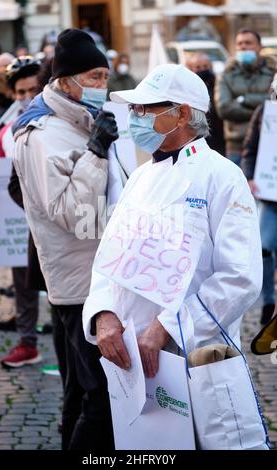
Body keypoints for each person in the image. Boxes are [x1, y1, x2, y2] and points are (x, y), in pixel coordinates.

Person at [83, 64, 262, 391]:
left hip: (195, 356)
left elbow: (240, 275)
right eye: (133, 109)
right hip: (130, 355)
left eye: (144, 108)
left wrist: (169, 326)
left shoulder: (222, 177)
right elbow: (111, 254)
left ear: (181, 114)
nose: (134, 117)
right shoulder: (139, 176)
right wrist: (103, 312)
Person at [12, 28, 118, 450]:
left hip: (96, 274)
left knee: (83, 393)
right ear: (65, 79)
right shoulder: (40, 133)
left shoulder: (77, 120)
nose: (101, 87)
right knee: (101, 399)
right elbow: (74, 215)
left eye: (105, 77)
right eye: (93, 77)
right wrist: (96, 153)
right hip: (77, 285)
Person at [0, 56, 43, 367]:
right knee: (23, 285)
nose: (25, 98)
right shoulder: (6, 132)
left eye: (31, 90)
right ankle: (27, 342)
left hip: (60, 223)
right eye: (20, 93)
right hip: (20, 223)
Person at [242, 74, 277, 325]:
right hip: (271, 196)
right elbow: (250, 148)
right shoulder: (264, 112)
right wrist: (250, 176)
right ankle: (268, 300)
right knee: (263, 248)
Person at [215, 29, 276, 166]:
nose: (243, 47)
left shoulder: (273, 71)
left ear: (260, 47)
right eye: (239, 43)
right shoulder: (226, 74)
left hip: (269, 141)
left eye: (248, 43)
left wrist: (244, 99)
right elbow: (224, 108)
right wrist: (261, 114)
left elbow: (275, 103)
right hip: (237, 145)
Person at [186, 52, 225, 155]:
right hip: (195, 142)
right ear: (190, 69)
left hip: (219, 141)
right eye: (198, 67)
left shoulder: (219, 85)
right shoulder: (186, 89)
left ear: (210, 66)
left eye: (205, 66)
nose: (202, 70)